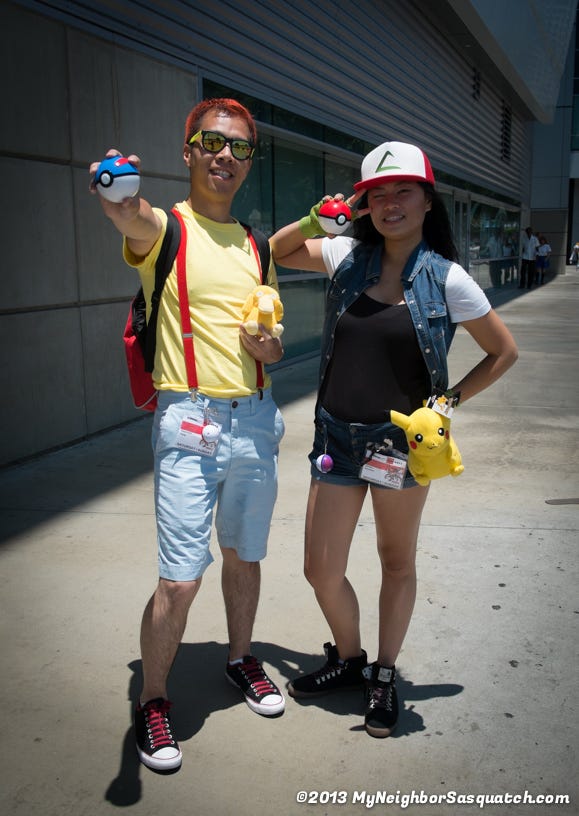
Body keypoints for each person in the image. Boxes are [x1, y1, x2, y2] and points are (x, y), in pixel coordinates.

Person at [270, 141, 518, 738]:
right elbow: (271, 254)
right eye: (376, 195)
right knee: (320, 568)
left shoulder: (449, 279)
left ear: (428, 200)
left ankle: (383, 674)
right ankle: (350, 660)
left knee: (394, 560)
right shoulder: (341, 255)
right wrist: (318, 219)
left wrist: (447, 402)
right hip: (335, 438)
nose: (389, 204)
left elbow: (503, 353)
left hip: (399, 447)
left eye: (403, 190)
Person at [89, 98, 286, 772]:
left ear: (249, 160)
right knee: (179, 580)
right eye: (211, 142)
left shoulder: (257, 245)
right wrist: (116, 186)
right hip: (190, 421)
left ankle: (239, 659)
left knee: (244, 555)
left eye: (239, 147)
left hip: (255, 419)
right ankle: (151, 699)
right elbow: (126, 215)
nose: (225, 155)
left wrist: (268, 349)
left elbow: (272, 340)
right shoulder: (165, 231)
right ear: (188, 150)